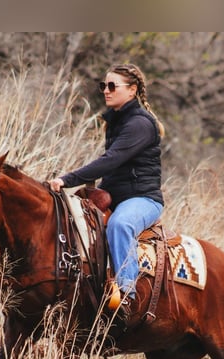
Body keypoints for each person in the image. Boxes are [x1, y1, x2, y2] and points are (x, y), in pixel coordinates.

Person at [49, 63, 165, 325]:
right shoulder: (117, 120)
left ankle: (126, 295)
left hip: (143, 199)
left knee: (120, 224)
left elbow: (111, 160)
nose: (106, 91)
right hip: (115, 196)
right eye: (103, 85)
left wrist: (67, 179)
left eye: (113, 86)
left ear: (132, 90)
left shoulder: (140, 124)